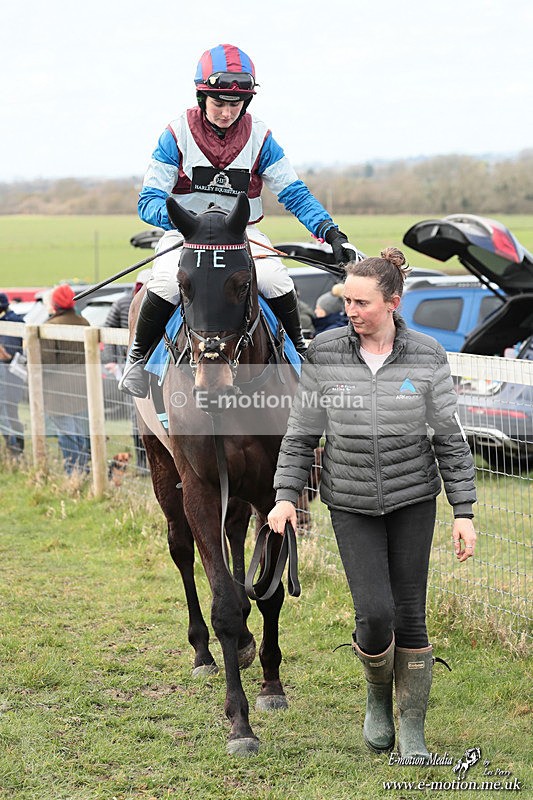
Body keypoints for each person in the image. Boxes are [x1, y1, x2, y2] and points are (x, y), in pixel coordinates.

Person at [267, 247, 477, 761]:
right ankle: (378, 695)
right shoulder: (325, 353)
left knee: (411, 615)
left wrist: (464, 511)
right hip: (351, 502)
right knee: (375, 614)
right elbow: (301, 433)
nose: (352, 310)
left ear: (393, 302)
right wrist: (285, 495)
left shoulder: (427, 354)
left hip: (413, 499)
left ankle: (412, 729)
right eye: (348, 300)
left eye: (362, 302)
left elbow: (448, 436)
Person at [119, 43, 359, 398]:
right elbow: (148, 199)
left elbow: (293, 192)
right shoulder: (175, 134)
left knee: (277, 279)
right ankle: (136, 362)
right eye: (219, 103)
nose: (227, 112)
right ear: (202, 97)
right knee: (168, 282)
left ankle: (300, 354)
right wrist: (184, 220)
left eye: (236, 104)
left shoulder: (261, 137)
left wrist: (330, 231)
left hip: (239, 233)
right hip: (188, 233)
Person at [102, 270, 151, 469]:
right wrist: (112, 361)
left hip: (153, 364)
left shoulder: (162, 302)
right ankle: (141, 462)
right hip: (128, 365)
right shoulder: (123, 303)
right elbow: (107, 330)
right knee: (135, 415)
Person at [41, 285, 91, 475]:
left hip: (58, 390)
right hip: (82, 385)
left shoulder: (50, 327)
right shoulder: (83, 322)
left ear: (55, 303)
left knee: (67, 431)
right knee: (79, 429)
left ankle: (73, 471)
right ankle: (83, 469)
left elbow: (46, 364)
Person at [0, 293, 25, 456]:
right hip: (10, 376)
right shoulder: (12, 320)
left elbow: (5, 354)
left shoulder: (10, 323)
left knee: (7, 412)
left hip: (10, 376)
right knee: (9, 412)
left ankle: (15, 450)